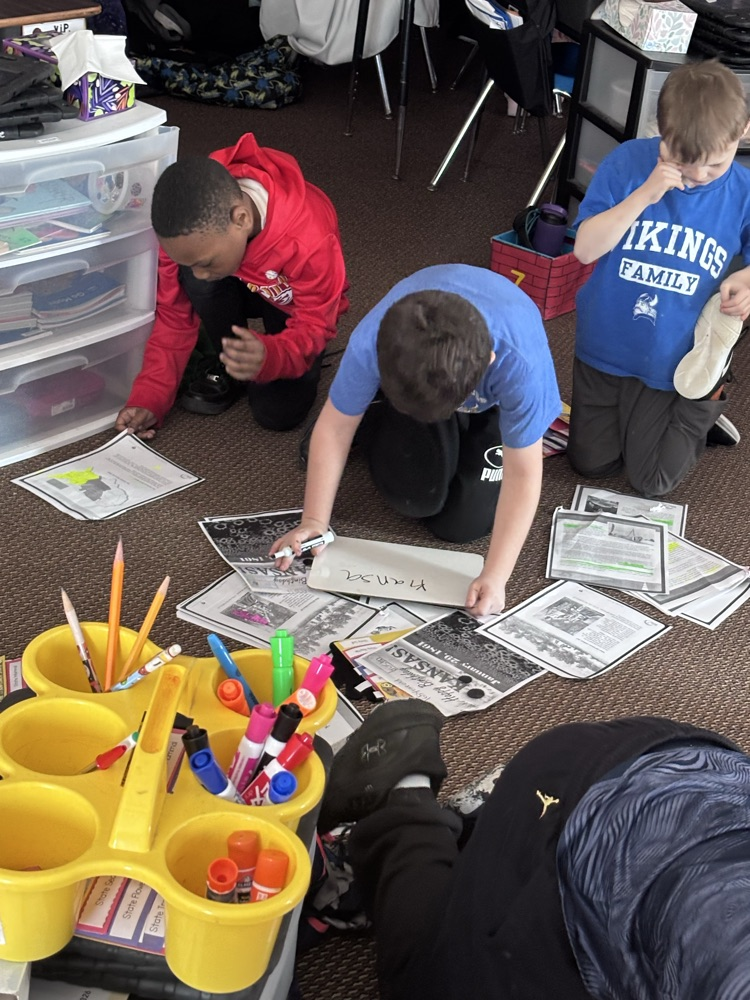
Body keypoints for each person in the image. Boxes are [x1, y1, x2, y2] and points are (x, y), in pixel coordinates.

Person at [319, 698, 750, 1000]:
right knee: (432, 982)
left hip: (691, 762)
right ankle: (403, 798)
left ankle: (494, 821)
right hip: (583, 803)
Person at [270, 263, 561, 618]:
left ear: (488, 361)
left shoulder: (521, 367)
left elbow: (525, 473)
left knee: (461, 527)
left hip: (485, 394)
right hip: (418, 382)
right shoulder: (374, 342)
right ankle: (370, 406)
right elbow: (334, 429)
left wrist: (496, 575)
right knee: (414, 500)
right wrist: (314, 521)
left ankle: (381, 407)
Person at [569, 60, 750, 498]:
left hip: (673, 360)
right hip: (605, 345)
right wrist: (647, 192)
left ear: (743, 131)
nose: (698, 176)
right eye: (684, 163)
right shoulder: (627, 163)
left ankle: (705, 396)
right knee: (591, 464)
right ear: (661, 134)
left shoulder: (742, 190)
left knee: (652, 481)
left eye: (714, 165)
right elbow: (585, 249)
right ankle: (650, 418)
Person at [115, 133, 348, 439]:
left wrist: (271, 356)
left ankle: (254, 355)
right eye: (191, 262)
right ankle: (227, 356)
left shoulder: (310, 241)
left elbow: (316, 325)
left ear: (241, 219)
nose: (197, 273)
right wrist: (149, 398)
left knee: (276, 414)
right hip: (241, 278)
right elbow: (173, 318)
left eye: (206, 262)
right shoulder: (187, 232)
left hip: (292, 304)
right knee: (197, 282)